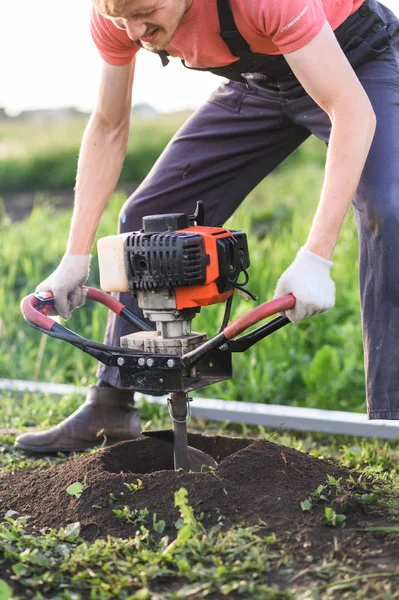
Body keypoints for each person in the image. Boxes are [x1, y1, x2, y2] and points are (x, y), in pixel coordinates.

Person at [15, 0, 399, 452]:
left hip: (358, 61)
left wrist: (316, 256)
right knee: (147, 219)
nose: (136, 30)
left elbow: (351, 110)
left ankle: (392, 420)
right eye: (124, 20)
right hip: (262, 82)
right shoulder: (117, 10)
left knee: (388, 209)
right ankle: (110, 406)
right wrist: (74, 256)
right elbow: (108, 125)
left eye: (147, 12)